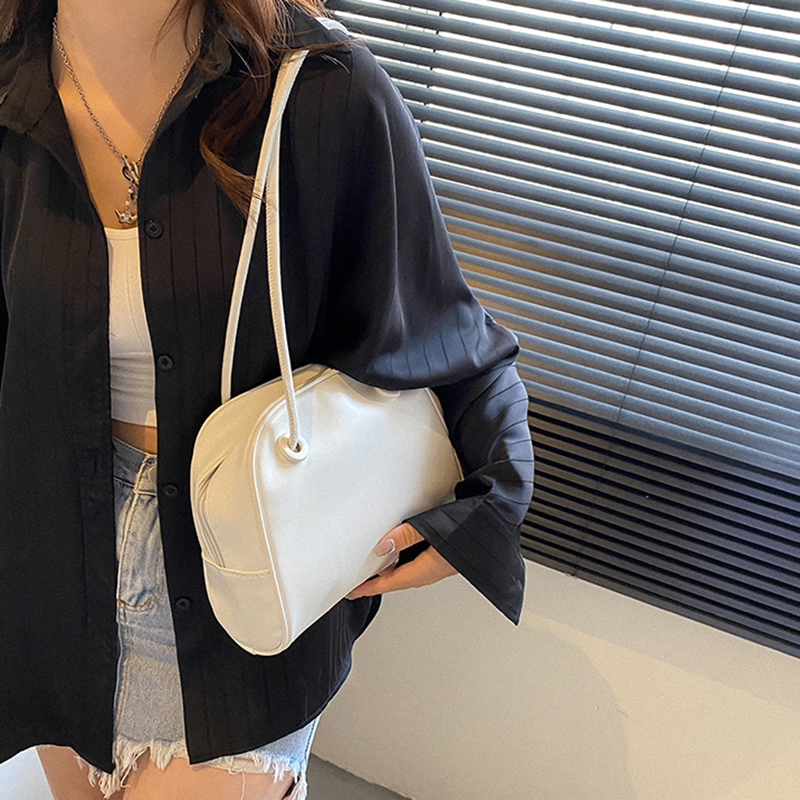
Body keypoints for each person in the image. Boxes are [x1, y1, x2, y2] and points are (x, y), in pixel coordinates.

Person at [0, 0, 534, 797]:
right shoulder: (13, 84)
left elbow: (446, 335)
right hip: (43, 566)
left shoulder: (322, 89)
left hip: (240, 575)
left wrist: (491, 501)